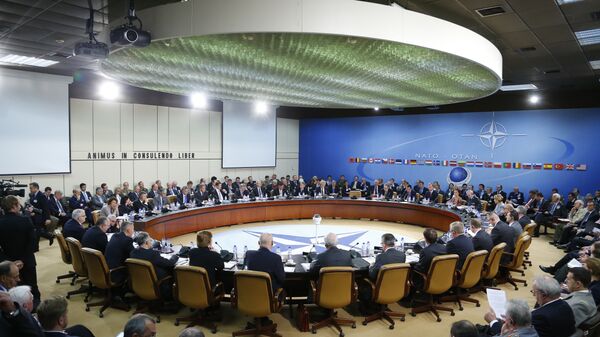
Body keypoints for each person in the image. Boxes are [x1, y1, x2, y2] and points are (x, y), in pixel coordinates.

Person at [0, 196, 41, 308]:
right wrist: (22, 259)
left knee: (12, 289)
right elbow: (33, 242)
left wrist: (9, 262)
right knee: (32, 287)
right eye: (18, 204)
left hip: (7, 265)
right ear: (14, 206)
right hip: (27, 260)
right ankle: (35, 307)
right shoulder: (25, 220)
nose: (20, 207)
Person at [130, 232, 178, 300]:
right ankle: (170, 298)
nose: (151, 242)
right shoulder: (153, 254)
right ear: (146, 242)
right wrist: (175, 257)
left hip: (140, 281)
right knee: (172, 270)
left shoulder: (133, 253)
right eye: (150, 240)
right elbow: (169, 263)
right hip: (155, 282)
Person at [27, 182, 54, 249]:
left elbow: (45, 208)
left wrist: (48, 218)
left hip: (41, 217)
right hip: (34, 216)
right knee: (38, 232)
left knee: (37, 232)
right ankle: (49, 236)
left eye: (31, 188)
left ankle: (36, 248)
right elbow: (33, 206)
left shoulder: (41, 196)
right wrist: (32, 211)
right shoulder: (32, 195)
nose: (30, 189)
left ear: (36, 188)